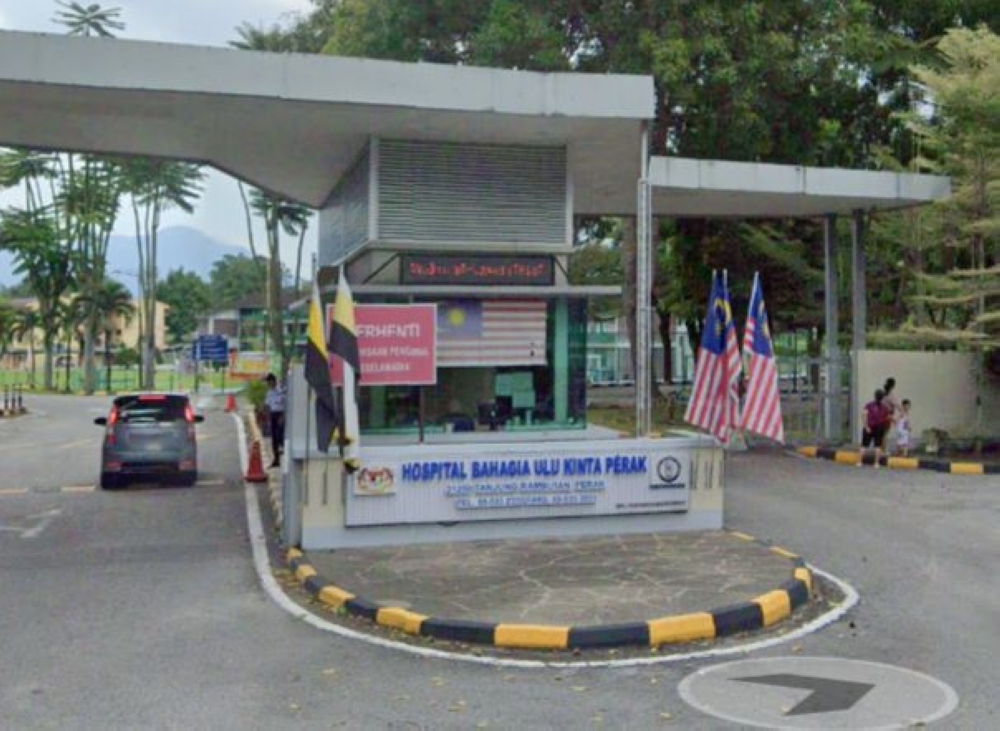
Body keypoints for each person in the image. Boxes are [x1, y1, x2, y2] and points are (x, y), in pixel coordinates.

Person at [861, 388, 892, 467]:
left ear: (875, 396)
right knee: (878, 446)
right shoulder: (885, 407)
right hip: (880, 427)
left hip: (870, 426)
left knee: (864, 445)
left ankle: (859, 462)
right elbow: (888, 417)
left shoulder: (869, 405)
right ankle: (876, 463)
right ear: (882, 398)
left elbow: (864, 415)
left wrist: (866, 426)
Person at [263, 373, 286, 467]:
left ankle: (282, 449)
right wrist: (267, 417)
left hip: (280, 415)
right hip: (273, 415)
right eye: (268, 382)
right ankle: (276, 460)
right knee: (274, 439)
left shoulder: (281, 391)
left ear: (274, 381)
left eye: (269, 381)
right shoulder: (269, 393)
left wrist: (283, 416)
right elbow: (267, 406)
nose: (268, 384)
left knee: (279, 435)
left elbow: (286, 404)